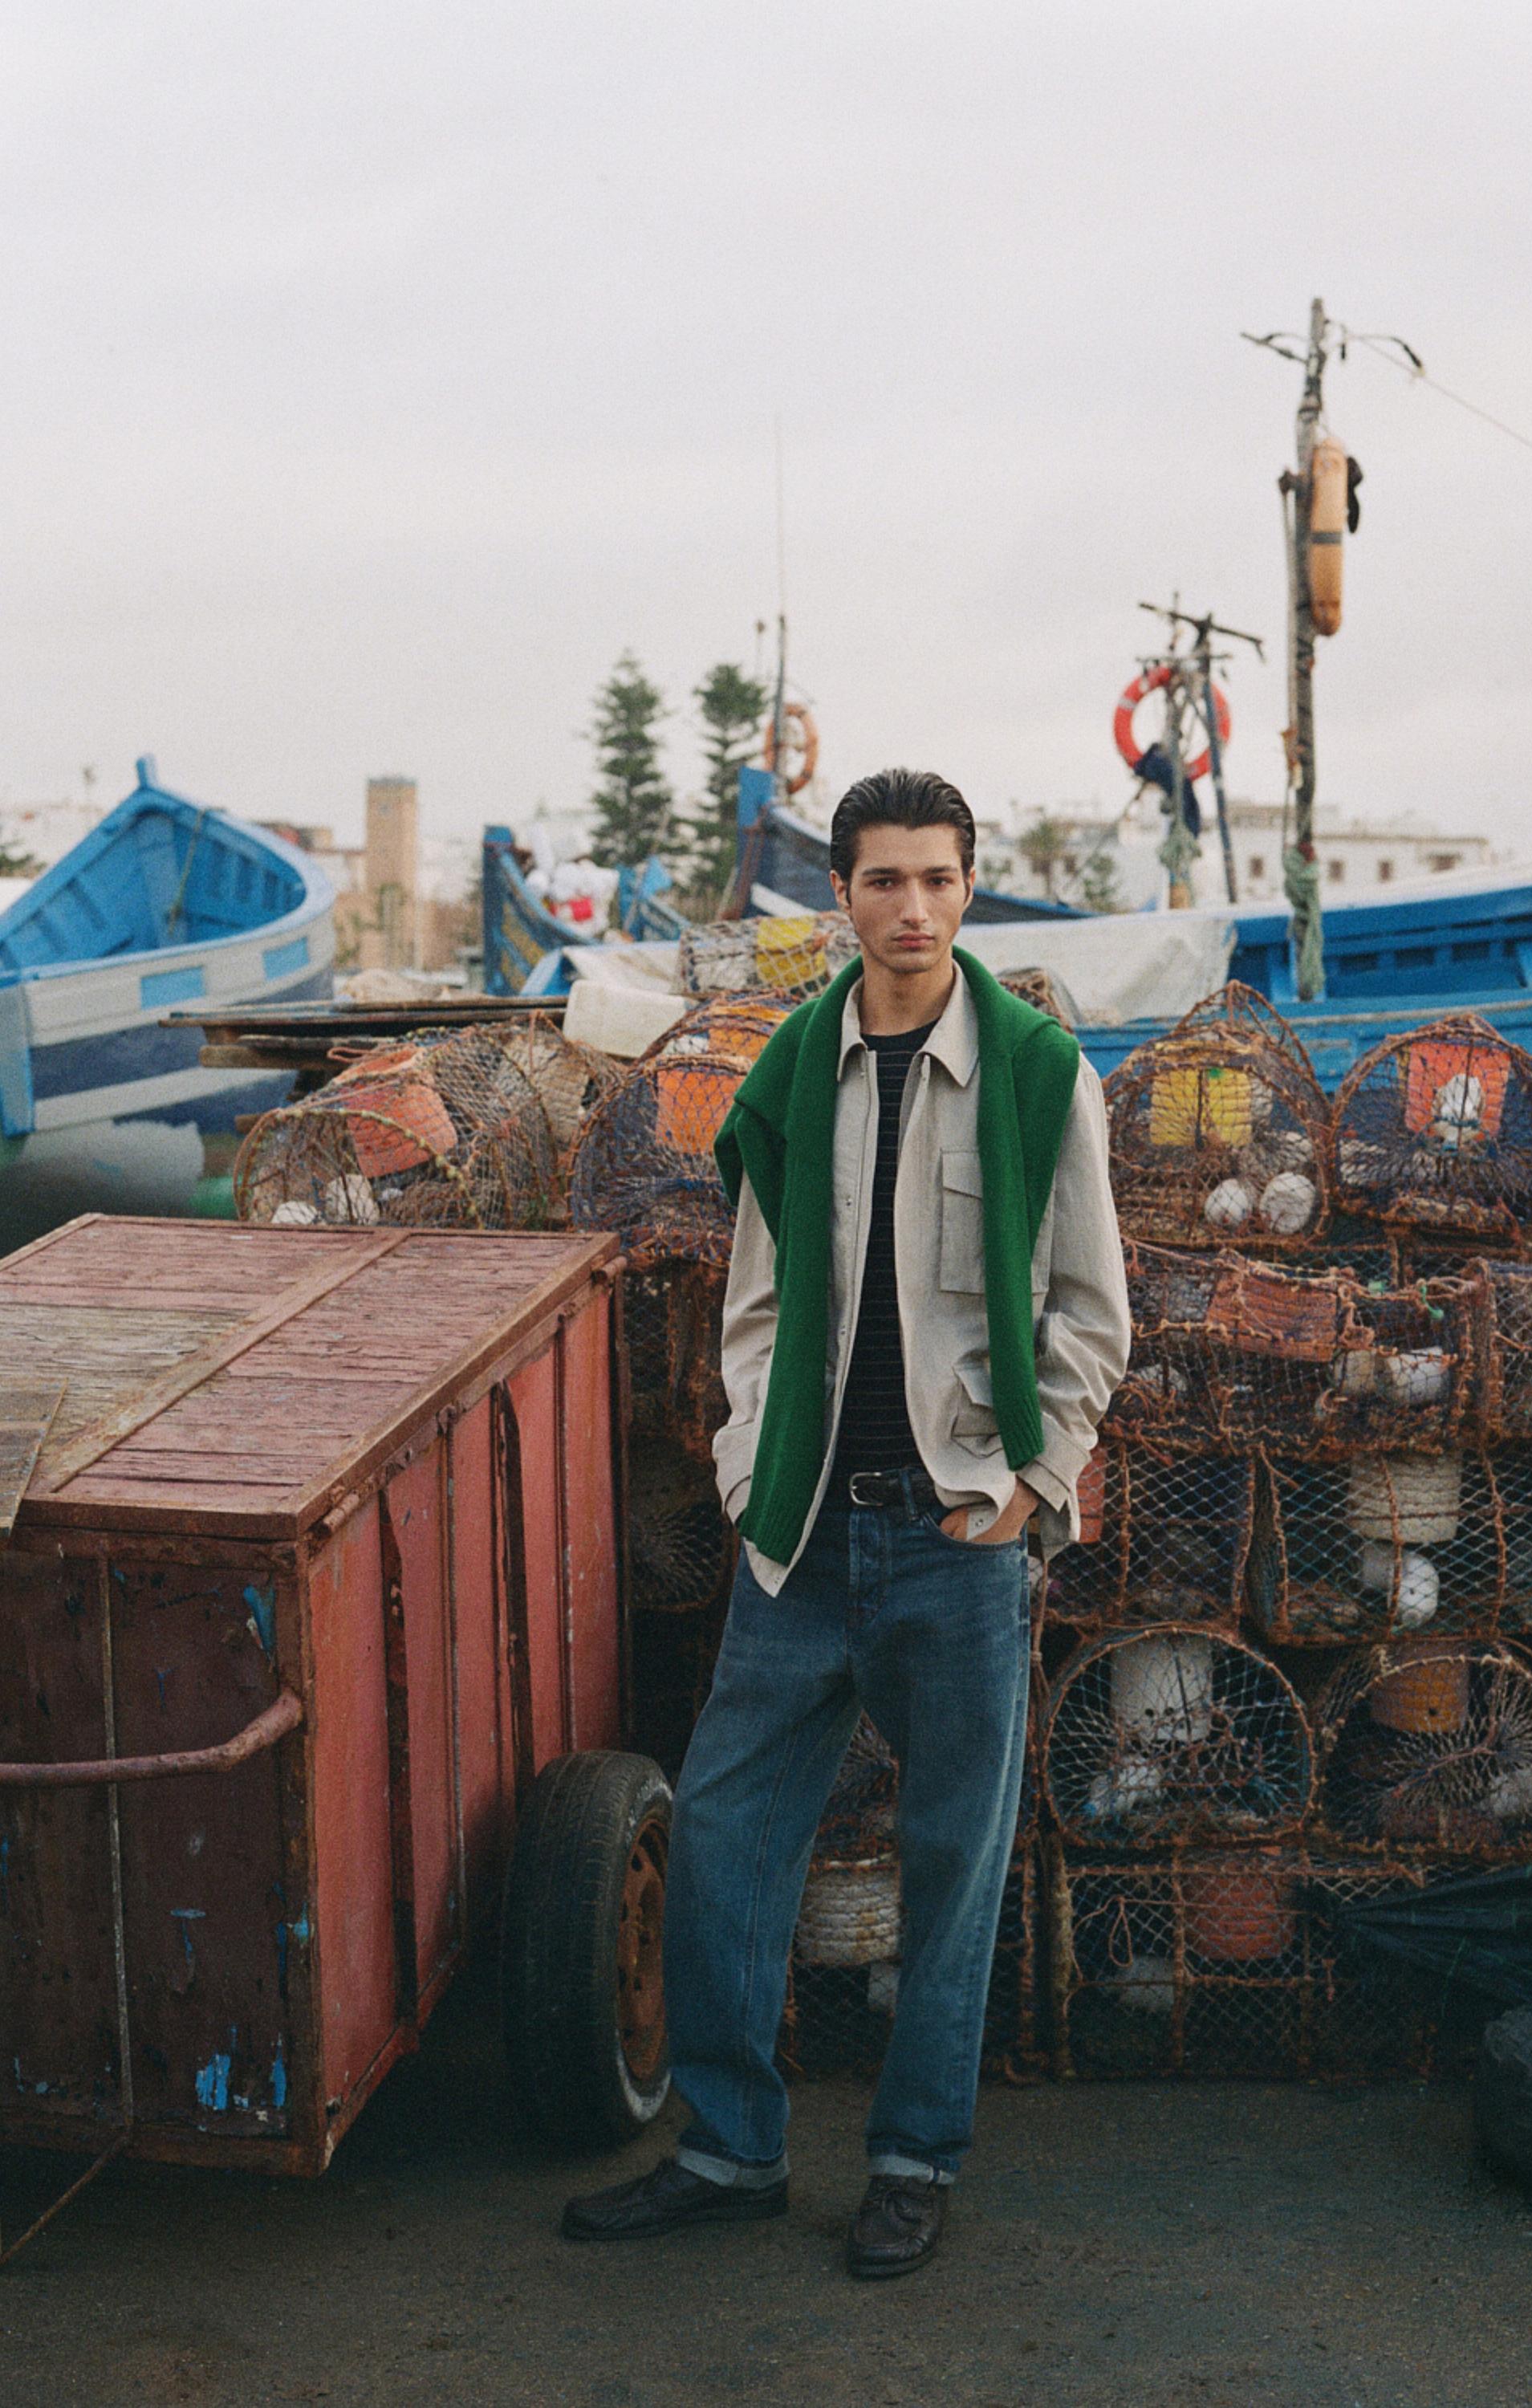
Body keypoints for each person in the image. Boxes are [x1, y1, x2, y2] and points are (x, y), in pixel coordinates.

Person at [563, 767, 1130, 2276]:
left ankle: (910, 2159)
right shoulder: (794, 1072)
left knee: (953, 1863)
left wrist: (1025, 1483)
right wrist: (751, 1473)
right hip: (800, 1535)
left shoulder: (1033, 1073)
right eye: (883, 881)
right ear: (843, 897)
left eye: (940, 881)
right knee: (732, 1838)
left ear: (968, 890)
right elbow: (753, 1304)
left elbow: (1089, 1310)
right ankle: (731, 2149)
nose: (913, 909)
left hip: (955, 1534)